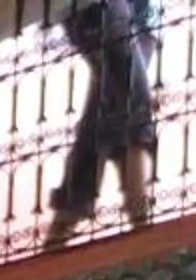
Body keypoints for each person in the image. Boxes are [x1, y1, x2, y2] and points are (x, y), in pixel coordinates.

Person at [45, 0, 157, 249]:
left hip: (144, 15)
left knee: (112, 107)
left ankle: (68, 216)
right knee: (132, 99)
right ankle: (139, 216)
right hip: (103, 7)